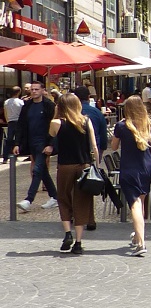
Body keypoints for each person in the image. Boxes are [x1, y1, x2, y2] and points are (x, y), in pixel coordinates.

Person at [49, 93, 98, 255]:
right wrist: (96, 165)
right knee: (81, 201)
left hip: (65, 166)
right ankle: (78, 242)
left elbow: (51, 137)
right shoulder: (86, 121)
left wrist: (57, 113)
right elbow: (94, 147)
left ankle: (67, 233)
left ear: (60, 106)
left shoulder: (56, 122)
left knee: (63, 198)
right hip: (83, 165)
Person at [111, 95, 151, 257]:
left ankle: (141, 243)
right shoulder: (149, 125)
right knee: (140, 202)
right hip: (146, 168)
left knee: (135, 205)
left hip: (129, 169)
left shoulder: (121, 126)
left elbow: (114, 147)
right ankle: (137, 237)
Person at [13, 80, 59, 212]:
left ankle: (28, 199)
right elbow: (21, 125)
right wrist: (17, 143)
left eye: (36, 89)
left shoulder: (49, 105)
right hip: (31, 142)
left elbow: (54, 125)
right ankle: (55, 197)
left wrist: (50, 144)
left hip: (43, 142)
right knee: (43, 170)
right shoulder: (26, 105)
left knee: (37, 169)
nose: (33, 91)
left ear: (43, 90)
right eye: (32, 89)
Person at [73, 85, 108, 231]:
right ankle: (90, 219)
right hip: (90, 155)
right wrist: (101, 151)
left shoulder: (70, 114)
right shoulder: (96, 112)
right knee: (87, 186)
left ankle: (73, 216)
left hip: (72, 156)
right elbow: (103, 133)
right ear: (88, 97)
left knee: (71, 189)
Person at [3, 86, 23, 163]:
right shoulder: (21, 102)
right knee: (18, 140)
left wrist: (7, 120)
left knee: (9, 140)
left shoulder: (6, 102)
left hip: (10, 122)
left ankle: (5, 157)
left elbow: (5, 112)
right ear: (18, 93)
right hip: (18, 121)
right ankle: (16, 155)